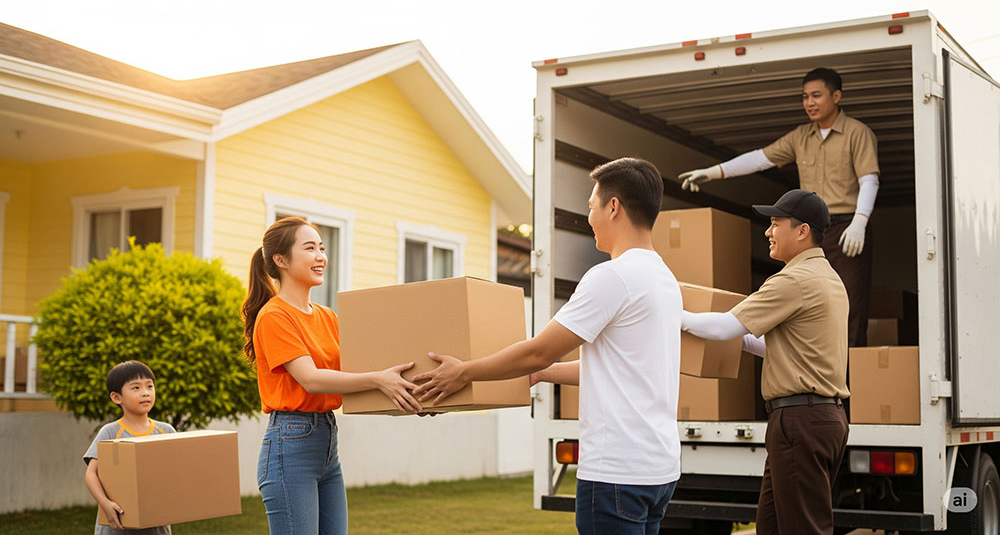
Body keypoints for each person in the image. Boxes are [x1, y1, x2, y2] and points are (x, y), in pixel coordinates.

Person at [412, 157, 683, 535]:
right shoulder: (664, 279)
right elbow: (620, 367)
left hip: (616, 474)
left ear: (613, 207)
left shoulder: (613, 277)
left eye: (591, 206)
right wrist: (542, 374)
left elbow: (539, 350)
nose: (589, 217)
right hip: (658, 470)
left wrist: (463, 372)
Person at [682, 189, 850, 535]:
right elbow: (785, 347)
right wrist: (737, 337)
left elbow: (726, 326)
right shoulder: (829, 278)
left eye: (775, 223)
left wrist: (673, 315)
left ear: (802, 231)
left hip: (800, 419)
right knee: (771, 527)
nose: (768, 232)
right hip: (820, 417)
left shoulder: (794, 280)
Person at [242, 216, 422, 535]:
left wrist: (415, 396)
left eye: (322, 248)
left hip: (326, 441)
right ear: (281, 260)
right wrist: (379, 379)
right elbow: (311, 379)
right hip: (290, 446)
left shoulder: (327, 317)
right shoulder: (274, 316)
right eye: (310, 248)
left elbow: (356, 374)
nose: (321, 256)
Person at [678, 67, 879, 346]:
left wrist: (860, 221)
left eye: (816, 95)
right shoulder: (800, 136)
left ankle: (849, 373)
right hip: (808, 231)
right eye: (805, 97)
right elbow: (760, 159)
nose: (809, 102)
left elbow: (869, 179)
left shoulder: (858, 133)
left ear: (836, 96)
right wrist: (712, 172)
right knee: (800, 296)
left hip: (846, 231)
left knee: (849, 304)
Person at [83, 360, 176, 534]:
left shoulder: (166, 431)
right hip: (117, 525)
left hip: (156, 527)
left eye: (150, 386)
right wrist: (105, 504)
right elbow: (91, 474)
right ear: (116, 397)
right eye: (136, 388)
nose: (145, 392)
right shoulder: (110, 432)